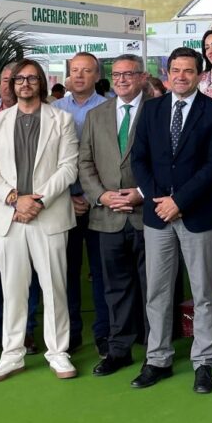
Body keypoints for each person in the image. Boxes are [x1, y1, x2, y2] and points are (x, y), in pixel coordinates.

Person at [131, 47, 212, 394]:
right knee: (157, 292)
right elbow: (139, 159)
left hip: (198, 215)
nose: (181, 76)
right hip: (158, 216)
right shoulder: (152, 109)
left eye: (188, 70)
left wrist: (179, 201)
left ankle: (203, 363)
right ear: (168, 73)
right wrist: (159, 200)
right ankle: (157, 359)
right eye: (175, 70)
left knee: (204, 293)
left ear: (200, 75)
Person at [0, 59, 80, 382]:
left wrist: (37, 201)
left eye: (32, 78)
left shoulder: (61, 120)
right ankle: (12, 354)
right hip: (9, 218)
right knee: (12, 289)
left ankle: (57, 352)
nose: (25, 84)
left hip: (48, 216)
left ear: (41, 83)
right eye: (20, 79)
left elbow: (68, 168)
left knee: (54, 288)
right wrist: (14, 199)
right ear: (12, 85)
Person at [78, 55, 149, 377]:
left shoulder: (157, 111)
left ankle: (154, 349)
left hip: (146, 214)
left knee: (152, 286)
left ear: (142, 77)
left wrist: (141, 193)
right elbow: (84, 162)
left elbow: (166, 161)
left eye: (128, 74)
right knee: (115, 287)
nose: (121, 79)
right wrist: (102, 195)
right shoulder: (96, 115)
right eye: (116, 74)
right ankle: (119, 349)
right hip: (107, 217)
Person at [52, 51, 110, 354]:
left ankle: (104, 334)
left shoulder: (109, 108)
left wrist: (90, 195)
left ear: (96, 76)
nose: (79, 75)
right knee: (66, 272)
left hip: (99, 203)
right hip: (62, 202)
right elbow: (47, 163)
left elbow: (111, 160)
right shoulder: (53, 110)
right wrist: (66, 196)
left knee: (101, 272)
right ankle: (70, 333)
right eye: (74, 70)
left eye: (86, 70)